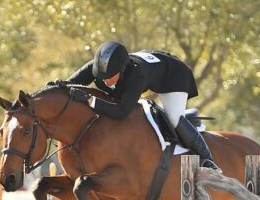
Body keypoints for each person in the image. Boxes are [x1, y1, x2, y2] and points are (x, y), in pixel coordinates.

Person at [50, 40, 221, 172]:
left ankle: (208, 160)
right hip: (155, 64)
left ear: (122, 69)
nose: (104, 80)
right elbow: (69, 84)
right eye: (101, 76)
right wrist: (53, 87)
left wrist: (90, 100)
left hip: (174, 76)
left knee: (174, 118)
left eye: (110, 76)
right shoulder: (98, 69)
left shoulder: (136, 75)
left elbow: (123, 110)